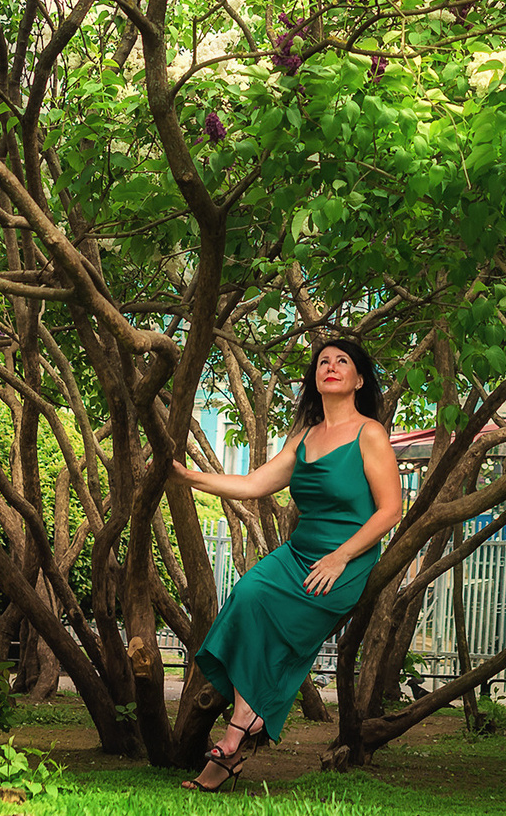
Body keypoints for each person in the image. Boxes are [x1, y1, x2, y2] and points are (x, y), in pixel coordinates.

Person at [171, 339, 403, 792]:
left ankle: (235, 735)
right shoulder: (304, 438)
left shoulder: (370, 433)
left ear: (359, 380)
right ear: (314, 378)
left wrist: (340, 556)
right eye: (323, 361)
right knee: (247, 596)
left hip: (345, 558)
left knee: (275, 629)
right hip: (298, 553)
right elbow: (255, 484)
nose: (331, 366)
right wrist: (189, 477)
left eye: (342, 361)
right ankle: (244, 723)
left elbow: (390, 510)